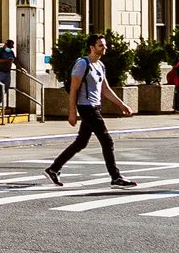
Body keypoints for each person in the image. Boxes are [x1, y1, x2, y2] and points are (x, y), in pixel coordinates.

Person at [45, 35, 139, 188]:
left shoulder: (100, 65)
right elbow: (73, 90)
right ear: (92, 47)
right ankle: (116, 178)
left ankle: (53, 169)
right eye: (101, 45)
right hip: (86, 107)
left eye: (105, 45)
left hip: (95, 106)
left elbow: (105, 89)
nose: (104, 48)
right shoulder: (83, 64)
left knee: (81, 142)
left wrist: (122, 105)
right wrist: (72, 112)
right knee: (107, 141)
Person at [0, 40, 18, 112]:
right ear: (5, 45)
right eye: (8, 47)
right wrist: (6, 60)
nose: (9, 49)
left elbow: (15, 60)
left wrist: (20, 67)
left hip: (7, 73)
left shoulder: (11, 52)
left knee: (5, 88)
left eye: (10, 47)